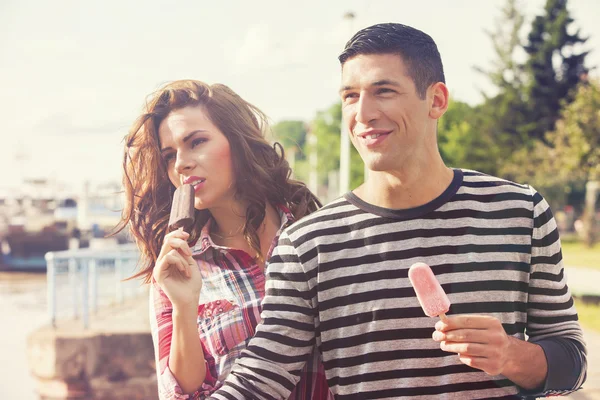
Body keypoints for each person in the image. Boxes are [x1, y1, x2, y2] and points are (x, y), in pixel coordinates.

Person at [209, 23, 588, 399]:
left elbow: (572, 361)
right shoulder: (307, 245)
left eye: (384, 91)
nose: (364, 113)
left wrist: (511, 355)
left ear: (437, 100)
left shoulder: (520, 212)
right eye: (350, 96)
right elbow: (261, 376)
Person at [116, 80, 332, 399]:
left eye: (197, 141)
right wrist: (184, 306)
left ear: (237, 140)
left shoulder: (315, 236)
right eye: (169, 155)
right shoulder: (178, 269)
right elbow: (183, 394)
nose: (181, 164)